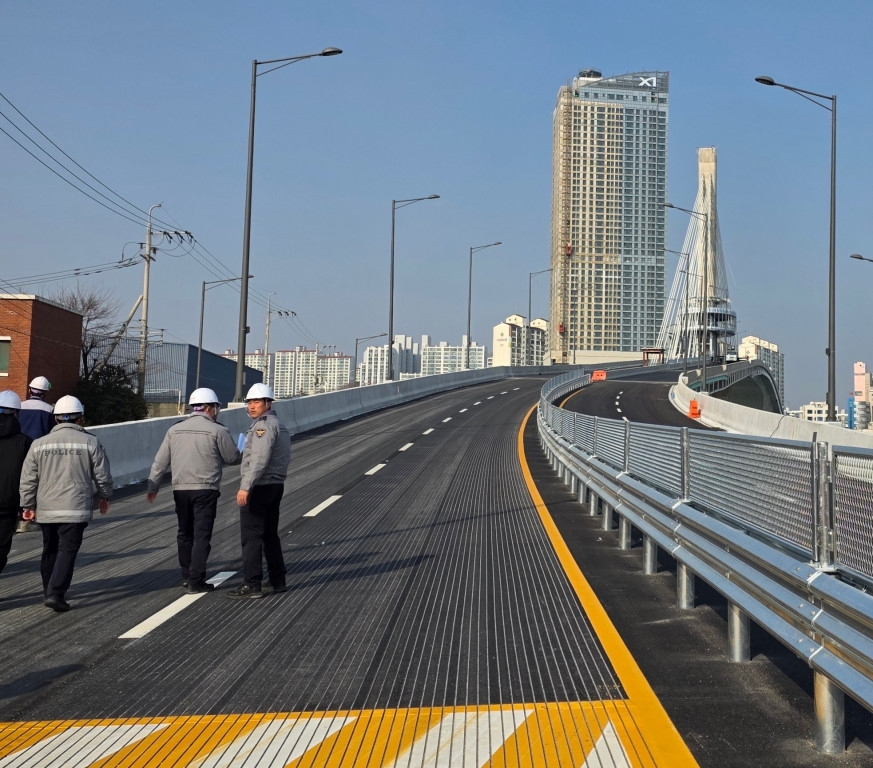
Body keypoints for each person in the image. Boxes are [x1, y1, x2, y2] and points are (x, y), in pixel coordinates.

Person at [19, 395, 112, 612]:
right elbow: (102, 474)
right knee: (67, 550)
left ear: (56, 419)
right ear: (80, 418)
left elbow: (28, 478)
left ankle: (48, 590)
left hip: (46, 508)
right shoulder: (90, 442)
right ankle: (56, 593)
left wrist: (27, 505)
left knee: (50, 549)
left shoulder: (38, 444)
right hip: (75, 507)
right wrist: (105, 496)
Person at [146, 387, 240, 593]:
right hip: (205, 489)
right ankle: (196, 581)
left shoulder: (174, 430)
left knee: (184, 533)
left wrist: (153, 486)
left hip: (180, 489)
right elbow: (232, 458)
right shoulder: (218, 430)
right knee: (201, 534)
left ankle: (186, 575)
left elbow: (160, 461)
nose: (216, 412)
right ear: (209, 408)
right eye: (216, 408)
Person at [228, 383, 291, 599]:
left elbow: (258, 460)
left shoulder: (263, 427)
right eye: (249, 402)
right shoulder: (278, 424)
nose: (252, 406)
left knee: (252, 537)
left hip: (260, 486)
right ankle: (277, 580)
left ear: (268, 403)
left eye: (256, 401)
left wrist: (245, 487)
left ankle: (251, 584)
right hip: (275, 486)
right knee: (269, 535)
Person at [0, 391, 32, 576]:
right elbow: (30, 476)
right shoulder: (25, 442)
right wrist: (28, 505)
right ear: (16, 414)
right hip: (8, 504)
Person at [18, 376, 54, 441]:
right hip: (40, 445)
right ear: (44, 393)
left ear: (29, 391)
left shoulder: (19, 406)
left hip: (20, 444)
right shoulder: (50, 409)